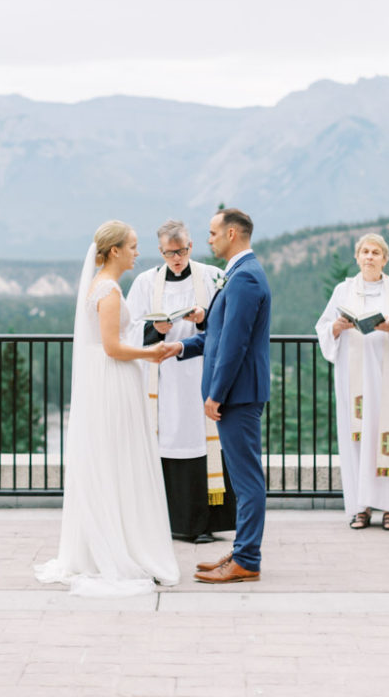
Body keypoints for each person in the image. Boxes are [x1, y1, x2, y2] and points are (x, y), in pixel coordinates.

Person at [34, 220, 180, 596]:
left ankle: (112, 541)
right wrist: (152, 353)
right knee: (120, 460)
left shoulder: (98, 286)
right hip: (114, 379)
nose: (136, 252)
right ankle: (122, 548)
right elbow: (113, 347)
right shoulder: (109, 290)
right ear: (114, 250)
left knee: (109, 460)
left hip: (105, 380)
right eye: (132, 246)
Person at [165, 208, 271, 583]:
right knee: (241, 477)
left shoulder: (244, 279)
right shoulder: (239, 274)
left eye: (211, 233)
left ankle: (247, 560)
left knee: (245, 480)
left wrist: (216, 393)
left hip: (238, 394)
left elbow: (234, 344)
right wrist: (180, 348)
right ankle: (242, 551)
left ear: (231, 234)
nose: (207, 240)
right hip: (238, 392)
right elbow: (215, 335)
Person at [127, 219, 237, 542]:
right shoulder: (147, 283)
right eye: (168, 253)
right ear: (160, 251)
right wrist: (153, 330)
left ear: (191, 246)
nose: (176, 258)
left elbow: (229, 323)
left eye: (181, 251)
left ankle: (205, 522)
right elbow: (130, 329)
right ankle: (171, 522)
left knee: (203, 441)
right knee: (170, 441)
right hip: (163, 380)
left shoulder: (213, 278)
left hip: (202, 372)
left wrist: (204, 319)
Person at [316, 233, 389, 531]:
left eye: (375, 252)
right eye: (364, 252)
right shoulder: (343, 291)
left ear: (384, 258)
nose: (369, 257)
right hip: (355, 380)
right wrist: (337, 328)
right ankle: (361, 507)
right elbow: (323, 326)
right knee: (359, 441)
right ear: (357, 257)